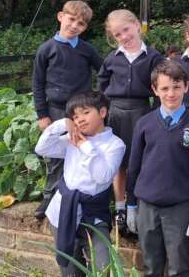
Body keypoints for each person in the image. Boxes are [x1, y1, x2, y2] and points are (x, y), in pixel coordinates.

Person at [126, 60, 189, 277]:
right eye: (164, 88)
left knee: (179, 266)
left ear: (186, 86)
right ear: (155, 90)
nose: (171, 93)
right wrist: (130, 205)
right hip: (147, 205)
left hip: (180, 206)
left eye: (176, 87)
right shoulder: (144, 124)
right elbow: (134, 166)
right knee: (151, 265)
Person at [34, 91, 125, 276]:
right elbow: (41, 148)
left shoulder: (115, 145)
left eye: (85, 113)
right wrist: (61, 124)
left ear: (102, 112)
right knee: (69, 268)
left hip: (94, 214)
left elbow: (103, 176)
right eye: (75, 116)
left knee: (102, 267)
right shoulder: (70, 139)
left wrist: (85, 147)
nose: (80, 120)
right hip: (63, 212)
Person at [32, 0, 103, 220]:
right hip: (54, 111)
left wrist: (97, 98)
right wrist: (42, 115)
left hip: (80, 112)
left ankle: (78, 197)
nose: (74, 26)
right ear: (61, 16)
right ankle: (49, 197)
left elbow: (104, 72)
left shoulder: (86, 50)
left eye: (80, 24)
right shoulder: (47, 49)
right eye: (71, 20)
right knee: (55, 158)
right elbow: (37, 83)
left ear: (84, 28)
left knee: (81, 151)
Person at [97, 9, 163, 236]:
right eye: (117, 34)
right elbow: (101, 84)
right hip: (116, 112)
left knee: (140, 160)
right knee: (120, 162)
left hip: (142, 112)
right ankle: (120, 208)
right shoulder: (112, 59)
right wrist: (104, 111)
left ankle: (138, 205)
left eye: (126, 30)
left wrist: (156, 113)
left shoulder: (153, 56)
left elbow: (160, 86)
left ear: (137, 25)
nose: (124, 36)